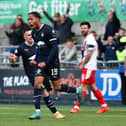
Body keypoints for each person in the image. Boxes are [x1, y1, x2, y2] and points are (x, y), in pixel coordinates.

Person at [28, 11, 82, 117]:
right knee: (37, 84)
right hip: (41, 63)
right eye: (28, 19)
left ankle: (76, 90)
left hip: (52, 63)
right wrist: (36, 59)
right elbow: (39, 48)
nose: (30, 21)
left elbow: (54, 48)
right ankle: (37, 111)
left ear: (38, 19)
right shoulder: (34, 33)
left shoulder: (48, 29)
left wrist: (47, 62)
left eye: (31, 19)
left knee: (57, 87)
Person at [9, 29, 64, 120]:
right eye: (28, 35)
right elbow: (14, 60)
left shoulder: (39, 45)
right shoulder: (21, 48)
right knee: (42, 91)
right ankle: (45, 112)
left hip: (44, 72)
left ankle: (54, 113)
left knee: (47, 93)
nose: (30, 37)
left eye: (31, 35)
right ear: (24, 37)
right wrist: (11, 59)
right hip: (32, 74)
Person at [70, 22, 109, 113]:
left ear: (89, 29)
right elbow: (87, 53)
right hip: (89, 66)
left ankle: (76, 107)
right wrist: (82, 62)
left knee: (83, 86)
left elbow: (89, 53)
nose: (83, 30)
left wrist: (83, 63)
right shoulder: (88, 39)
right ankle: (104, 105)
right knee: (93, 87)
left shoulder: (90, 39)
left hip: (89, 67)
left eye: (85, 28)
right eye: (82, 28)